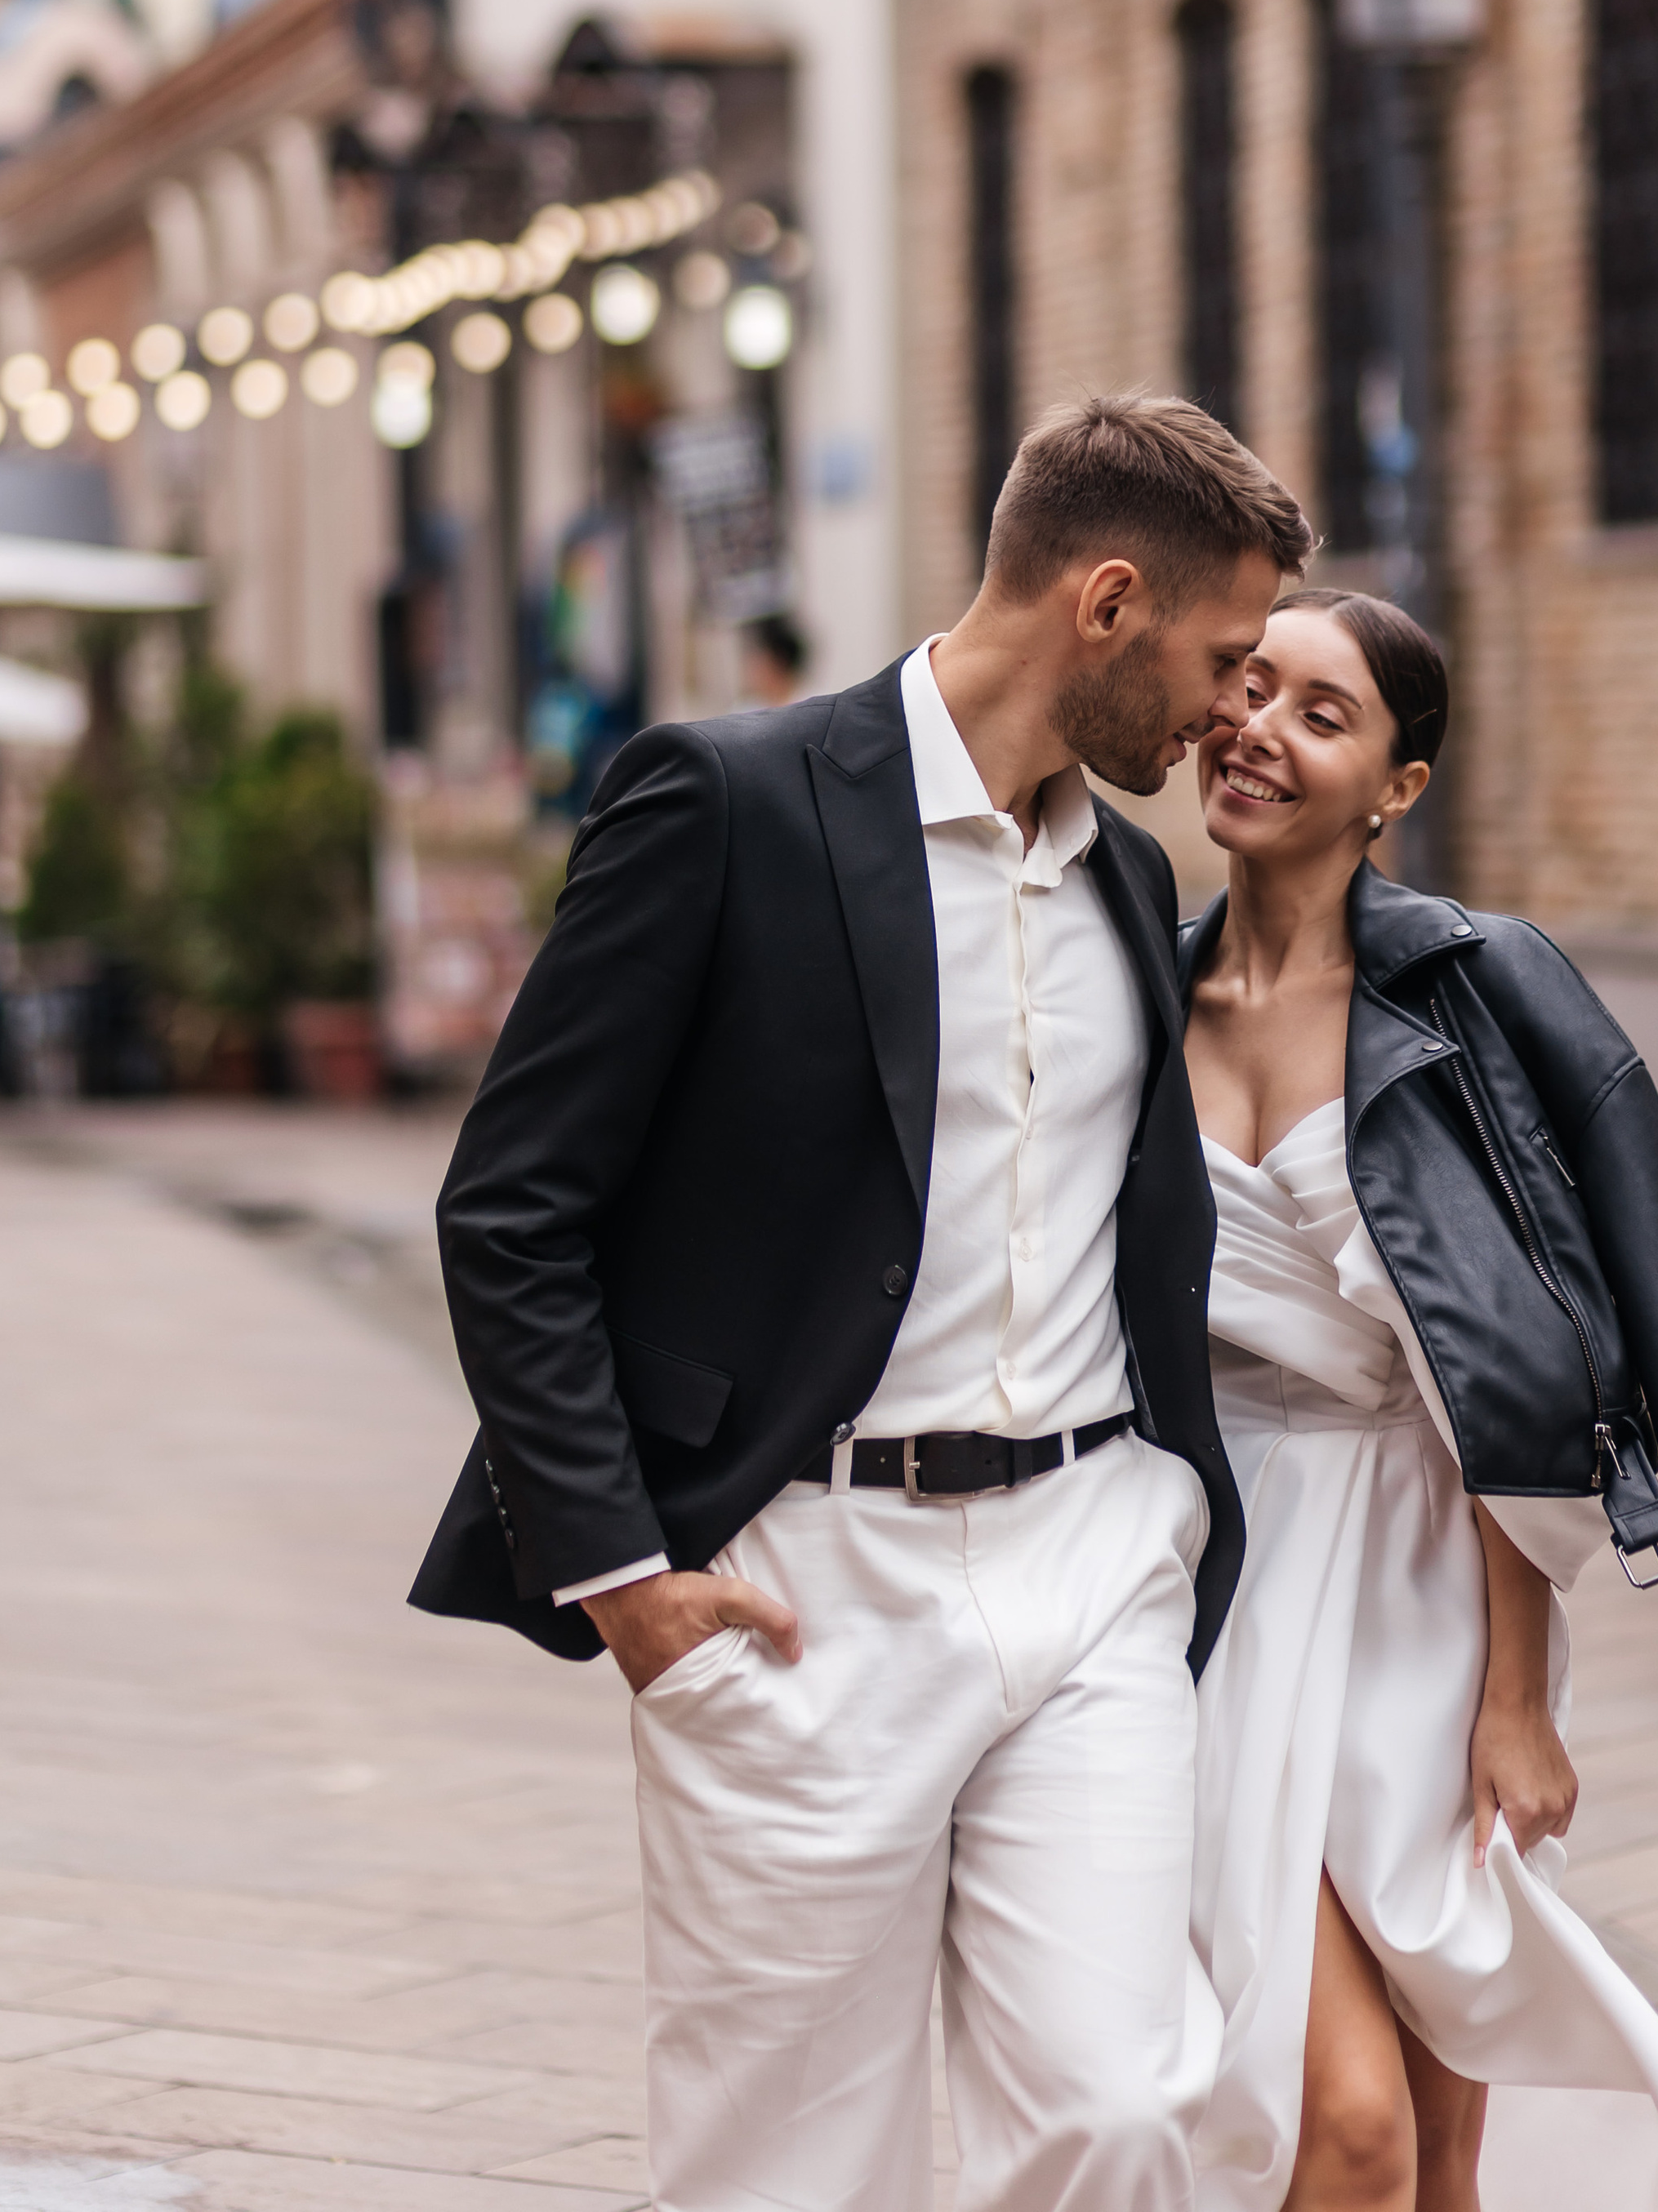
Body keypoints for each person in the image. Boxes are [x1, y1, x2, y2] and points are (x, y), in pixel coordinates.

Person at [411, 392, 1313, 2212]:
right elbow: (512, 1206)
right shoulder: (727, 805)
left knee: (1124, 2116)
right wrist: (621, 1574)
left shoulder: (1130, 875)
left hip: (1092, 1565)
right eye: (1226, 659)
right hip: (805, 1593)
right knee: (791, 2169)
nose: (1236, 711)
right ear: (1106, 605)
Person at [1179, 590, 1658, 2212]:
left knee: (1442, 2126)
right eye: (1248, 686)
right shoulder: (1129, 986)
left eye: (1321, 712)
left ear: (1397, 787)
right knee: (1345, 2126)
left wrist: (1515, 1698)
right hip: (1209, 1571)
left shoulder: (1480, 988)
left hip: (1429, 1576)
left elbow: (1549, 1352)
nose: (1260, 728)